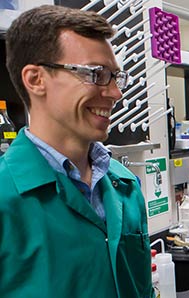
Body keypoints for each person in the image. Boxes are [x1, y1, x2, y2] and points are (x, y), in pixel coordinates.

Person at [1, 5, 152, 297]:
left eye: (115, 77)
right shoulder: (5, 199)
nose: (115, 94)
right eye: (96, 74)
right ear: (35, 80)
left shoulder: (125, 186)